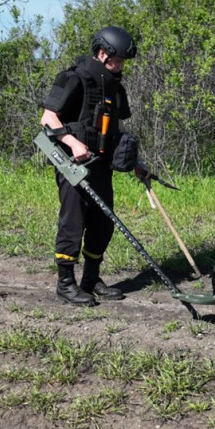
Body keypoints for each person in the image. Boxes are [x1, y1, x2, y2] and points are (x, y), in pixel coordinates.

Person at [39, 26, 148, 306]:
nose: (122, 66)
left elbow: (114, 130)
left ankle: (90, 279)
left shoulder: (114, 87)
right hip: (72, 163)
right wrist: (74, 144)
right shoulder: (73, 78)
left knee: (103, 223)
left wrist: (135, 163)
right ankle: (65, 284)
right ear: (102, 53)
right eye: (119, 60)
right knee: (73, 221)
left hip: (101, 164)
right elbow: (48, 118)